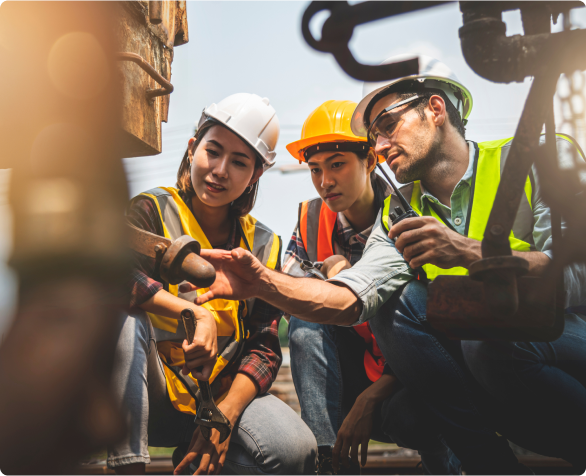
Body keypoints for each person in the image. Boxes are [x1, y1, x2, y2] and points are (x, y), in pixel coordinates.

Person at [179, 57, 586, 476]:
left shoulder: (540, 159)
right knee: (401, 310)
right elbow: (355, 297)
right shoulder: (398, 212)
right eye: (374, 136)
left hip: (565, 337)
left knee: (488, 343)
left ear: (435, 108)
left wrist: (469, 251)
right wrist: (264, 283)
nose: (380, 145)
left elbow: (577, 277)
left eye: (388, 125)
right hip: (483, 361)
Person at [108, 93, 317, 476]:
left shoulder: (263, 245)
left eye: (239, 162)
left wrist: (225, 416)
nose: (220, 170)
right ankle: (128, 467)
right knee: (125, 319)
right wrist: (193, 312)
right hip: (150, 397)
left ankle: (197, 465)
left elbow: (265, 345)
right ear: (192, 149)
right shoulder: (151, 212)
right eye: (213, 151)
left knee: (294, 452)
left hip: (217, 397)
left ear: (255, 174)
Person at [283, 100, 460, 476]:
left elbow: (437, 326)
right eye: (315, 169)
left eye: (336, 164)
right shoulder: (309, 221)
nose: (324, 181)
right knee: (305, 318)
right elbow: (290, 294)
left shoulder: (412, 211)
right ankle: (327, 461)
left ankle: (447, 467)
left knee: (413, 418)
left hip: (410, 377)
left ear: (369, 160)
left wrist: (371, 397)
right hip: (349, 373)